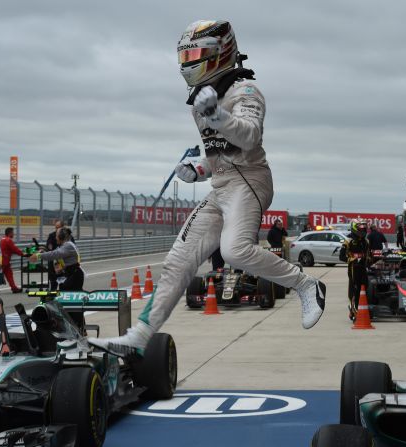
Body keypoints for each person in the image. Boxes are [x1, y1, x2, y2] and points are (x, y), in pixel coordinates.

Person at [89, 20, 326, 355]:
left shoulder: (244, 91)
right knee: (178, 260)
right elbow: (220, 152)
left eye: (197, 54)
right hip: (222, 186)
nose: (189, 63)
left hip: (251, 181)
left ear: (220, 53)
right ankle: (139, 338)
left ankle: (306, 284)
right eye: (186, 56)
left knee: (234, 250)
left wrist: (216, 115)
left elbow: (248, 136)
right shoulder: (203, 100)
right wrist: (199, 168)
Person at [339, 219, 371, 321]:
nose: (362, 231)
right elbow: (341, 257)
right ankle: (354, 309)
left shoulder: (366, 241)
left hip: (363, 268)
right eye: (360, 229)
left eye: (364, 229)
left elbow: (368, 256)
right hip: (353, 268)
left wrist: (370, 260)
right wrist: (352, 259)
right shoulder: (348, 241)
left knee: (365, 286)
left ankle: (359, 308)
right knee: (355, 289)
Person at [0, 227, 24, 293]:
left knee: (9, 274)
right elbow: (14, 249)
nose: (13, 234)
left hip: (4, 260)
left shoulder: (3, 239)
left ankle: (14, 288)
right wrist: (22, 254)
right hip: (4, 261)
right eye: (13, 232)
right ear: (10, 233)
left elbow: (10, 249)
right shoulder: (8, 240)